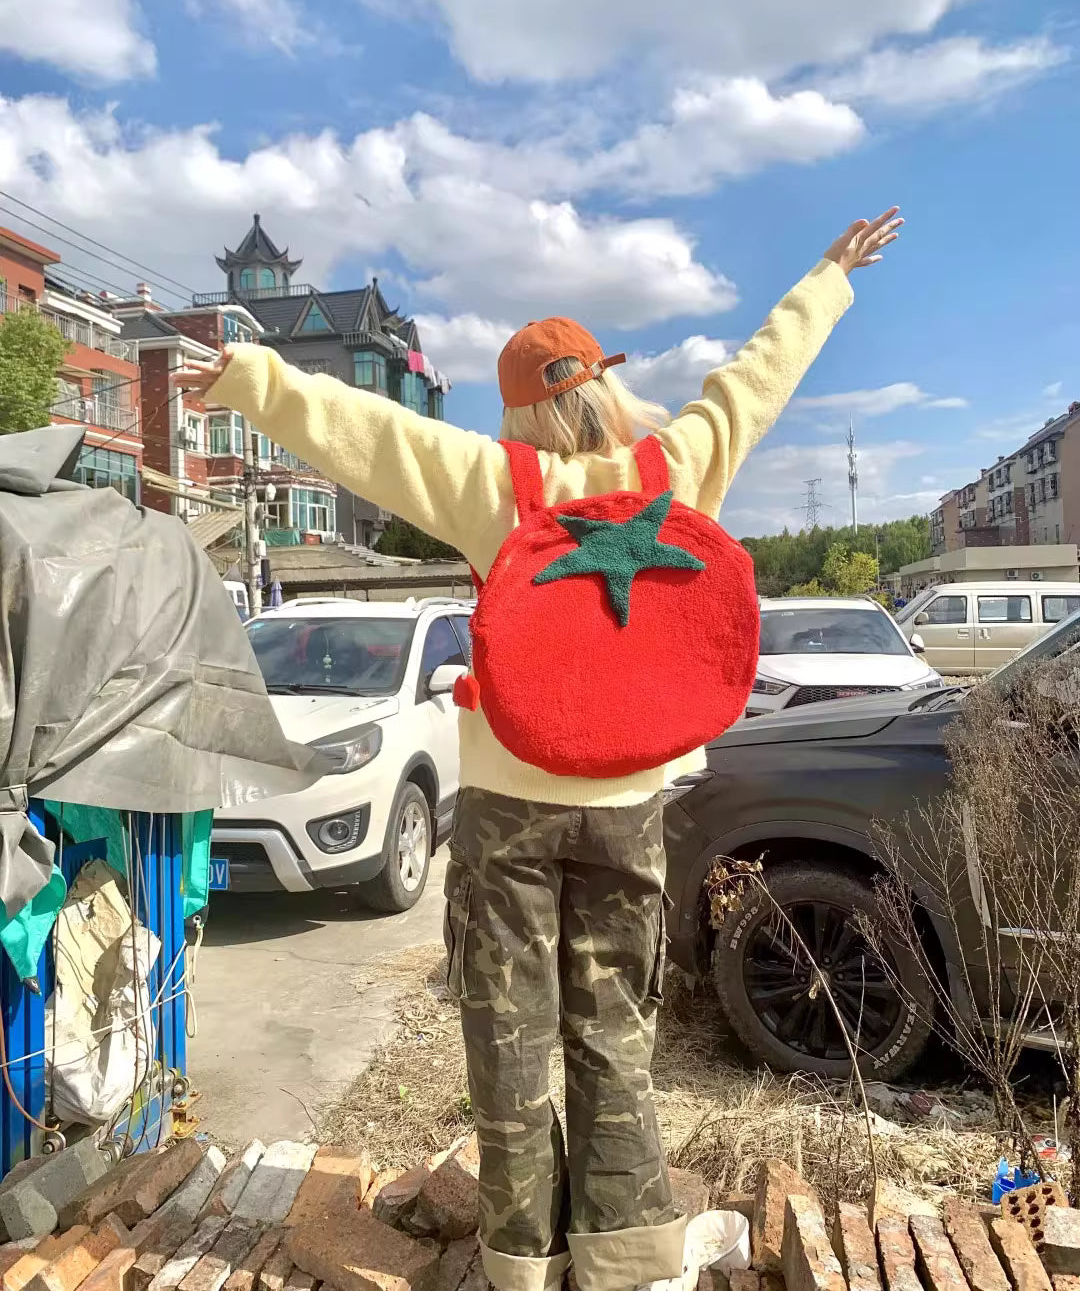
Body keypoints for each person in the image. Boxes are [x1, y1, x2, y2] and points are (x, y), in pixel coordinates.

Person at [175, 208, 902, 1291]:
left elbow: (364, 433)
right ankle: (624, 1256)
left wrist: (248, 379)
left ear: (521, 407)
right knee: (614, 1029)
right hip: (628, 797)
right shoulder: (677, 466)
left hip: (512, 799)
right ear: (602, 387)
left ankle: (521, 1259)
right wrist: (830, 278)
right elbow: (757, 377)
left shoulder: (491, 484)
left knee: (510, 1038)